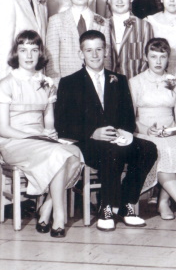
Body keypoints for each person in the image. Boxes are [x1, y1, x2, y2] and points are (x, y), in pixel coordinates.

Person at [55, 30, 157, 231]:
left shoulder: (118, 79)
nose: (94, 55)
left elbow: (128, 117)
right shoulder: (69, 82)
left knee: (148, 148)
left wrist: (123, 133)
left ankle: (128, 204)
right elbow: (62, 124)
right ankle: (106, 207)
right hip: (86, 143)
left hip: (115, 140)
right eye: (89, 50)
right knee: (111, 152)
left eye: (99, 50)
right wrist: (92, 133)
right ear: (80, 54)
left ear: (106, 51)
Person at [0, 31, 84, 238]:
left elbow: (48, 120)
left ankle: (47, 207)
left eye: (34, 50)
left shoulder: (47, 83)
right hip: (14, 141)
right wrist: (35, 137)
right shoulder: (6, 84)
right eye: (23, 50)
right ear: (16, 53)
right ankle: (59, 217)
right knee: (59, 156)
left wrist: (49, 132)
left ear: (40, 53)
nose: (29, 55)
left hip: (41, 140)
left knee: (74, 152)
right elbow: (3, 129)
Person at [129, 38, 176, 225]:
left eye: (163, 57)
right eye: (153, 56)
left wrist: (172, 130)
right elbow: (130, 119)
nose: (158, 61)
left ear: (168, 59)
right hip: (144, 131)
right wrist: (146, 129)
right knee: (160, 151)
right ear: (145, 58)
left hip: (171, 131)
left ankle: (164, 202)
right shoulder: (135, 83)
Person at [46, 0, 111, 78]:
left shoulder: (102, 22)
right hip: (67, 83)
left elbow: (107, 59)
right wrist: (57, 87)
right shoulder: (55, 21)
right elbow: (51, 62)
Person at [107, 0, 154, 80]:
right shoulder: (103, 26)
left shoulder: (144, 26)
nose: (119, 1)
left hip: (134, 85)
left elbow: (148, 61)